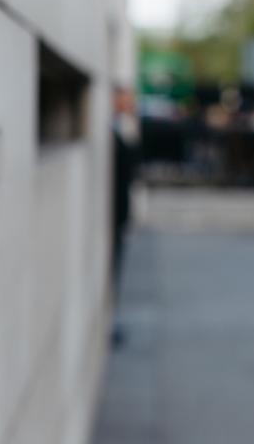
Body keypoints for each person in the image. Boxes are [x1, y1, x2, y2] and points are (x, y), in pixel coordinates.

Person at [111, 87, 139, 348]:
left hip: (119, 214)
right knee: (112, 268)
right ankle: (110, 321)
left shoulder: (123, 128)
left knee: (117, 268)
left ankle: (112, 319)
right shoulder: (111, 131)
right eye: (126, 99)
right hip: (112, 214)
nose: (130, 104)